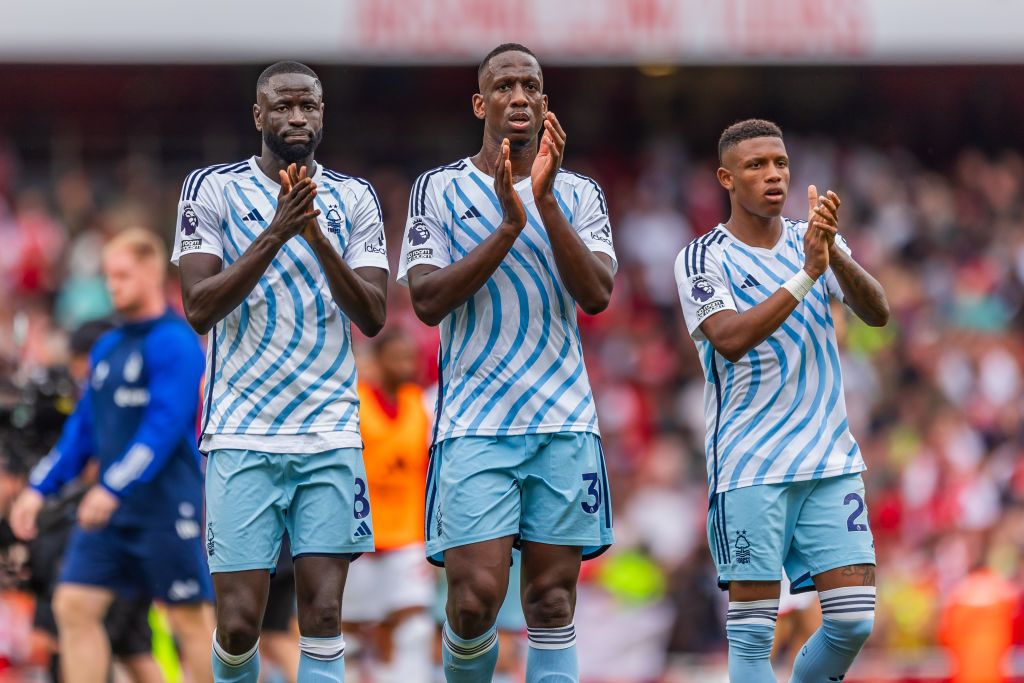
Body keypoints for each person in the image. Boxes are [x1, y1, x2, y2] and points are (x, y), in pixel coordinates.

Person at [399, 43, 616, 683]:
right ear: (480, 103)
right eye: (503, 86)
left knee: (551, 601)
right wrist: (507, 227)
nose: (518, 97)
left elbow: (598, 295)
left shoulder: (578, 193)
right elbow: (426, 301)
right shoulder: (437, 190)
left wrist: (544, 202)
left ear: (544, 103)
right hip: (473, 424)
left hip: (563, 421)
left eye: (530, 86)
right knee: (472, 602)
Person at [173, 61, 388, 683]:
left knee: (323, 613)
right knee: (239, 622)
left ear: (322, 114)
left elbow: (373, 315)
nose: (298, 117)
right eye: (285, 105)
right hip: (241, 433)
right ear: (258, 115)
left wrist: (317, 236)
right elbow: (198, 307)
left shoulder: (353, 198)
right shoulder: (211, 189)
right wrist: (275, 231)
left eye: (310, 106)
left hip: (329, 435)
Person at [673, 119, 890, 682]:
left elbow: (878, 311)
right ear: (726, 177)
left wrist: (833, 257)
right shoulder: (702, 258)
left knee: (853, 621)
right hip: (750, 467)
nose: (773, 175)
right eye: (756, 165)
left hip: (829, 460)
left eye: (781, 163)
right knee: (753, 638)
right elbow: (730, 338)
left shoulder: (815, 239)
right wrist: (805, 276)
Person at [10, 228, 216, 683]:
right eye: (108, 276)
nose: (112, 285)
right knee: (74, 606)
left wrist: (113, 486)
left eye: (122, 275)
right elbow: (80, 431)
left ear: (151, 271)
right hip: (108, 512)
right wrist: (38, 490)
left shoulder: (176, 343)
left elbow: (161, 430)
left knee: (189, 620)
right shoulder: (107, 346)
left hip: (165, 507)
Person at [343, 329, 434, 683]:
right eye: (396, 357)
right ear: (377, 362)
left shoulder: (420, 406)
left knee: (412, 630)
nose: (405, 365)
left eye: (409, 358)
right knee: (347, 635)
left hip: (408, 539)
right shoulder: (356, 404)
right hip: (360, 539)